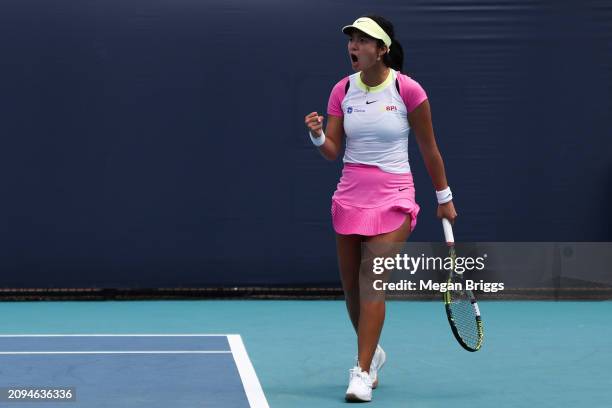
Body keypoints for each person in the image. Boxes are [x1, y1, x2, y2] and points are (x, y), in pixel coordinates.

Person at [303, 15, 458, 402]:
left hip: (395, 197)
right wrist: (318, 134)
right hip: (350, 196)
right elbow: (333, 152)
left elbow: (429, 149)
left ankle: (360, 371)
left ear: (382, 49)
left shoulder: (408, 90)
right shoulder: (342, 90)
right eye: (351, 39)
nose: (353, 46)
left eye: (362, 40)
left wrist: (444, 198)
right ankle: (373, 353)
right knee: (351, 288)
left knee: (372, 275)